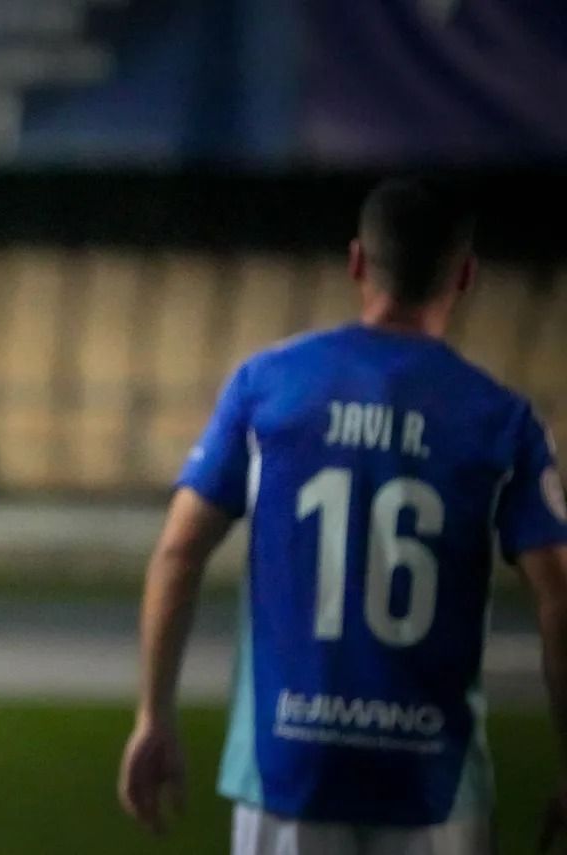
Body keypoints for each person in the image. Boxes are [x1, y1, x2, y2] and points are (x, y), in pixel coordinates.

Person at [117, 176, 567, 854]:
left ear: (357, 261)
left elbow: (179, 552)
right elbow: (559, 594)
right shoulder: (502, 421)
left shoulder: (267, 386)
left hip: (290, 770)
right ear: (466, 275)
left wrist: (154, 714)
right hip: (433, 784)